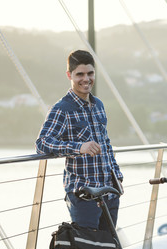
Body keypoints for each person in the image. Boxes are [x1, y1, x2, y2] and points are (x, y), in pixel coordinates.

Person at [35, 49, 123, 232]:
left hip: (109, 192)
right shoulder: (62, 109)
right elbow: (42, 143)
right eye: (80, 74)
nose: (86, 79)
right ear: (70, 75)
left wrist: (117, 177)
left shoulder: (98, 105)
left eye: (90, 73)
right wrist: (79, 147)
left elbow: (106, 143)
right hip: (84, 196)